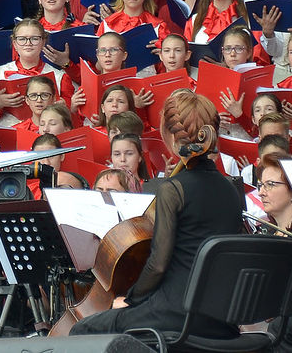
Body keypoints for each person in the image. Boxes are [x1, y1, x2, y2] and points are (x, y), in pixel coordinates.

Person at [64, 89, 242, 338]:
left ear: (170, 135)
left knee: (82, 329)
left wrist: (131, 299)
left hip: (175, 312)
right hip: (220, 317)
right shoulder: (230, 189)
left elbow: (158, 265)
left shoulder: (173, 189)